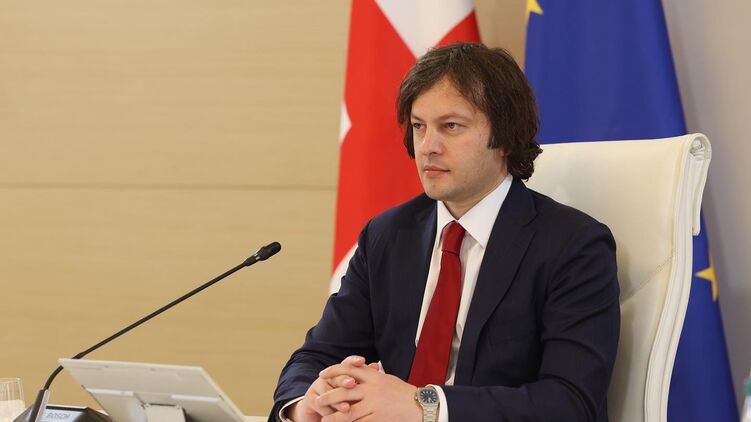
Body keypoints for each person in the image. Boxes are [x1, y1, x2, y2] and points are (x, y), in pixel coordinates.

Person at [269, 42, 620, 422]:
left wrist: (425, 405)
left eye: (451, 127)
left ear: (504, 137)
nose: (427, 147)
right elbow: (318, 354)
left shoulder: (573, 245)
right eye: (419, 126)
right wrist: (306, 404)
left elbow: (571, 402)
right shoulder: (387, 235)